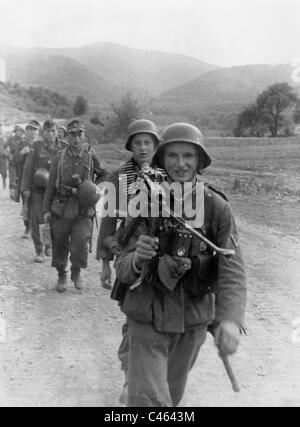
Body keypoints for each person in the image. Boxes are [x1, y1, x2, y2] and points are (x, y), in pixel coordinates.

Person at [113, 122, 247, 407]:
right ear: (163, 160)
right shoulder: (144, 202)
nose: (181, 163)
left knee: (171, 399)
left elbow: (232, 267)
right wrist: (138, 258)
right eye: (173, 155)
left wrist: (230, 318)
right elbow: (122, 266)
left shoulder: (216, 206)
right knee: (149, 402)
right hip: (147, 314)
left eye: (188, 155)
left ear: (200, 160)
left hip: (192, 319)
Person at [96, 119, 161, 290]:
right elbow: (108, 222)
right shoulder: (119, 177)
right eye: (137, 143)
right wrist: (105, 264)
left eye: (147, 143)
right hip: (128, 251)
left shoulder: (166, 175)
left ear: (155, 146)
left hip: (161, 251)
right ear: (131, 147)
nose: (142, 147)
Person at [43, 119, 107, 293]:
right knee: (59, 242)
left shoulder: (90, 156)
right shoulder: (59, 157)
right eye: (72, 134)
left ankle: (76, 272)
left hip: (83, 209)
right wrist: (46, 210)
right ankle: (61, 274)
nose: (76, 138)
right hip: (61, 207)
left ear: (84, 135)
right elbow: (50, 186)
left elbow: (104, 175)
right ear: (67, 135)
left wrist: (93, 189)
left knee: (81, 241)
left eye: (80, 134)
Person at [21, 119, 62, 262]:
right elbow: (27, 168)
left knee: (52, 219)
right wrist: (25, 188)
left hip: (55, 191)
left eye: (53, 131)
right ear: (43, 132)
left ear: (57, 132)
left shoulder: (62, 148)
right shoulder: (37, 146)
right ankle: (39, 250)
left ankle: (48, 245)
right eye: (48, 131)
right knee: (38, 218)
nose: (50, 134)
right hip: (38, 190)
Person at [17, 120, 41, 239]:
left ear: (38, 131)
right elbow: (15, 161)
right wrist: (21, 154)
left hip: (38, 181)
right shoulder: (22, 144)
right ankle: (27, 227)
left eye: (34, 129)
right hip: (24, 180)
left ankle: (34, 228)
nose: (31, 132)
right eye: (29, 129)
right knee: (25, 204)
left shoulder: (41, 145)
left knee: (36, 206)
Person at [5, 124, 24, 201]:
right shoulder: (10, 139)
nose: (18, 133)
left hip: (20, 161)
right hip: (12, 161)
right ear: (14, 132)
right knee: (12, 176)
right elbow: (3, 147)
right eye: (16, 131)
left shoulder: (24, 140)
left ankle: (18, 193)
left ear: (22, 132)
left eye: (19, 131)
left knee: (20, 177)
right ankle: (12, 191)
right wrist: (8, 154)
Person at [0, 124, 8, 190]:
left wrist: (6, 152)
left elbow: (8, 147)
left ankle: (4, 184)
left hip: (3, 158)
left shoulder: (5, 138)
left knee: (4, 173)